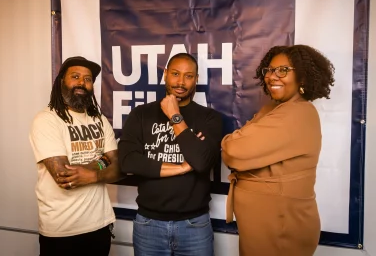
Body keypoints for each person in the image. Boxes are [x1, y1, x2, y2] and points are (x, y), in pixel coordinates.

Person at [222, 45, 335, 256]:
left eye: (283, 70)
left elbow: (233, 151)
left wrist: (235, 138)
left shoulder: (298, 113)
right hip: (264, 225)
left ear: (302, 78)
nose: (272, 76)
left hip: (281, 226)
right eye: (270, 70)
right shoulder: (272, 109)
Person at [118, 53, 223, 256]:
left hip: (195, 225)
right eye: (175, 73)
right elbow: (128, 162)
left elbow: (201, 162)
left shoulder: (209, 118)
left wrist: (175, 117)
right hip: (149, 224)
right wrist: (183, 167)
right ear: (165, 74)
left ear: (197, 79)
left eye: (188, 76)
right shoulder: (141, 114)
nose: (181, 82)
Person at [29, 56, 124, 256]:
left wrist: (93, 173)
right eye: (75, 76)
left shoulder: (99, 119)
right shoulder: (47, 120)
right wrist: (102, 161)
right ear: (61, 81)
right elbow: (65, 177)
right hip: (62, 231)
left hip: (100, 225)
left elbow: (119, 168)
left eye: (88, 79)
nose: (82, 82)